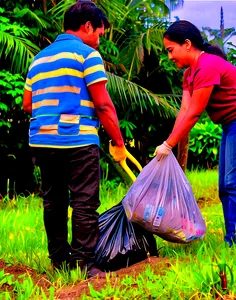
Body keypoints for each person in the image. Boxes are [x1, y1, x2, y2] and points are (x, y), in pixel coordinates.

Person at [23, 1, 127, 278]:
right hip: (78, 139)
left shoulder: (39, 58)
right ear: (88, 26)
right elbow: (104, 105)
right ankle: (84, 263)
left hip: (43, 141)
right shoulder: (88, 55)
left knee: (53, 200)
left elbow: (27, 104)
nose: (99, 41)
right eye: (99, 34)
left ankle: (58, 260)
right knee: (84, 200)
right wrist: (118, 142)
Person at [155, 20, 236, 246]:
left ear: (187, 44)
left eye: (171, 50)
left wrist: (168, 144)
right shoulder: (189, 74)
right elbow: (184, 111)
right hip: (233, 124)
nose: (169, 57)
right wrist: (169, 146)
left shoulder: (207, 65)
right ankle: (234, 239)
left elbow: (195, 113)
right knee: (226, 186)